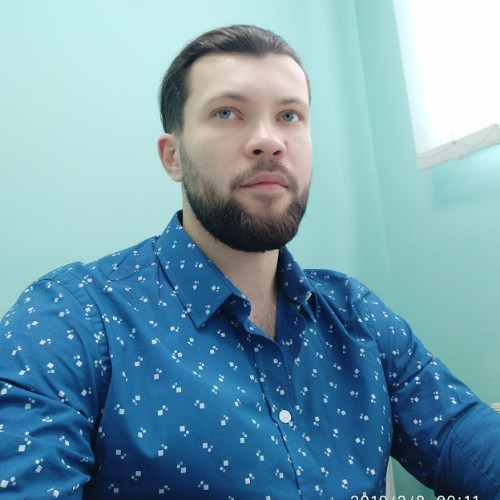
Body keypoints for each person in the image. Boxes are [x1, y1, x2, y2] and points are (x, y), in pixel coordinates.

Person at [0, 25, 499, 500]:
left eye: (290, 116)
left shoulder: (357, 315)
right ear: (173, 157)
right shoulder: (70, 319)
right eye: (227, 113)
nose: (269, 140)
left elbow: (462, 437)